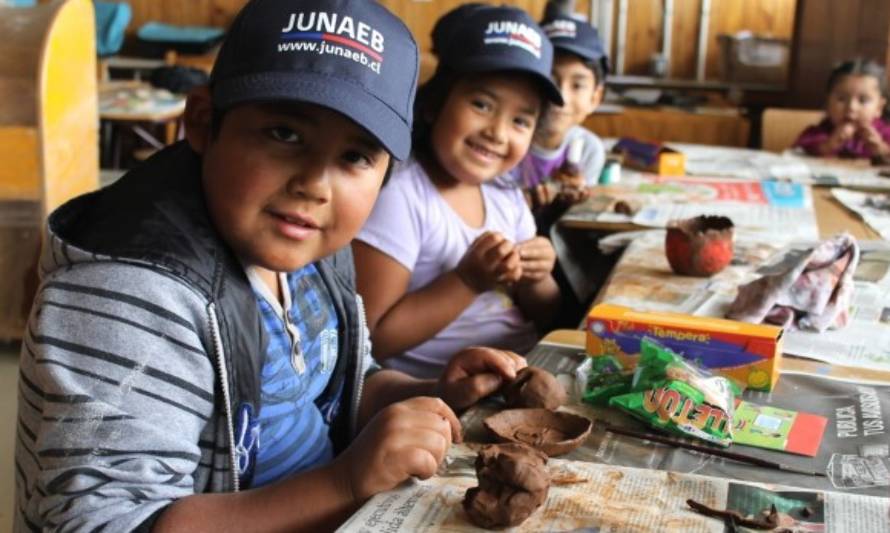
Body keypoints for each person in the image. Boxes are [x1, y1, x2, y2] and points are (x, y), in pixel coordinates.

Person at [15, 1, 527, 531]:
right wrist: (343, 483)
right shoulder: (131, 295)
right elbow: (103, 523)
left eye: (355, 156)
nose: (315, 185)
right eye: (285, 134)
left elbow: (342, 383)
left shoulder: (309, 249)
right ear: (203, 123)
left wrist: (433, 396)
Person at [353, 4, 563, 379]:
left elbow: (548, 315)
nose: (497, 132)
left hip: (526, 369)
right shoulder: (400, 195)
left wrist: (539, 277)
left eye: (520, 120)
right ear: (434, 103)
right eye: (481, 104)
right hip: (443, 391)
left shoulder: (506, 195)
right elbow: (372, 339)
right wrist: (467, 281)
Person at [513, 3, 610, 221]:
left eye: (577, 85)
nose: (561, 99)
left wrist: (570, 202)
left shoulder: (589, 151)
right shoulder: (503, 142)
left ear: (595, 98)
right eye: (550, 80)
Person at [794, 58, 890, 162]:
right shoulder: (818, 133)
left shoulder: (885, 133)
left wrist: (881, 148)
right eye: (841, 99)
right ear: (827, 104)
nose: (851, 107)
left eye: (863, 100)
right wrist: (828, 145)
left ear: (879, 108)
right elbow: (799, 152)